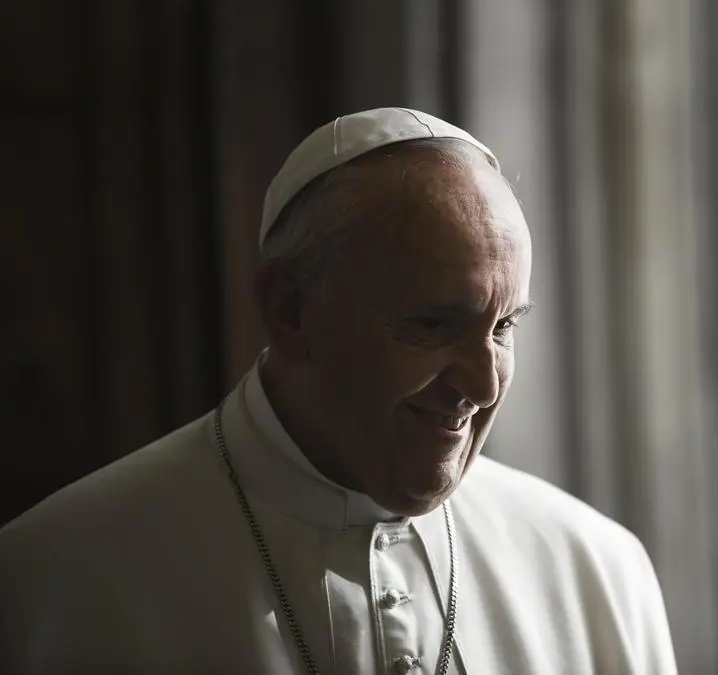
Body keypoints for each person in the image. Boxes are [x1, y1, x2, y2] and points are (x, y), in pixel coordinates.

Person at [0, 108, 677, 674]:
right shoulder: (58, 582)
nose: (484, 382)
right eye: (435, 324)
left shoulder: (596, 569)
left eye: (504, 327)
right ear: (290, 309)